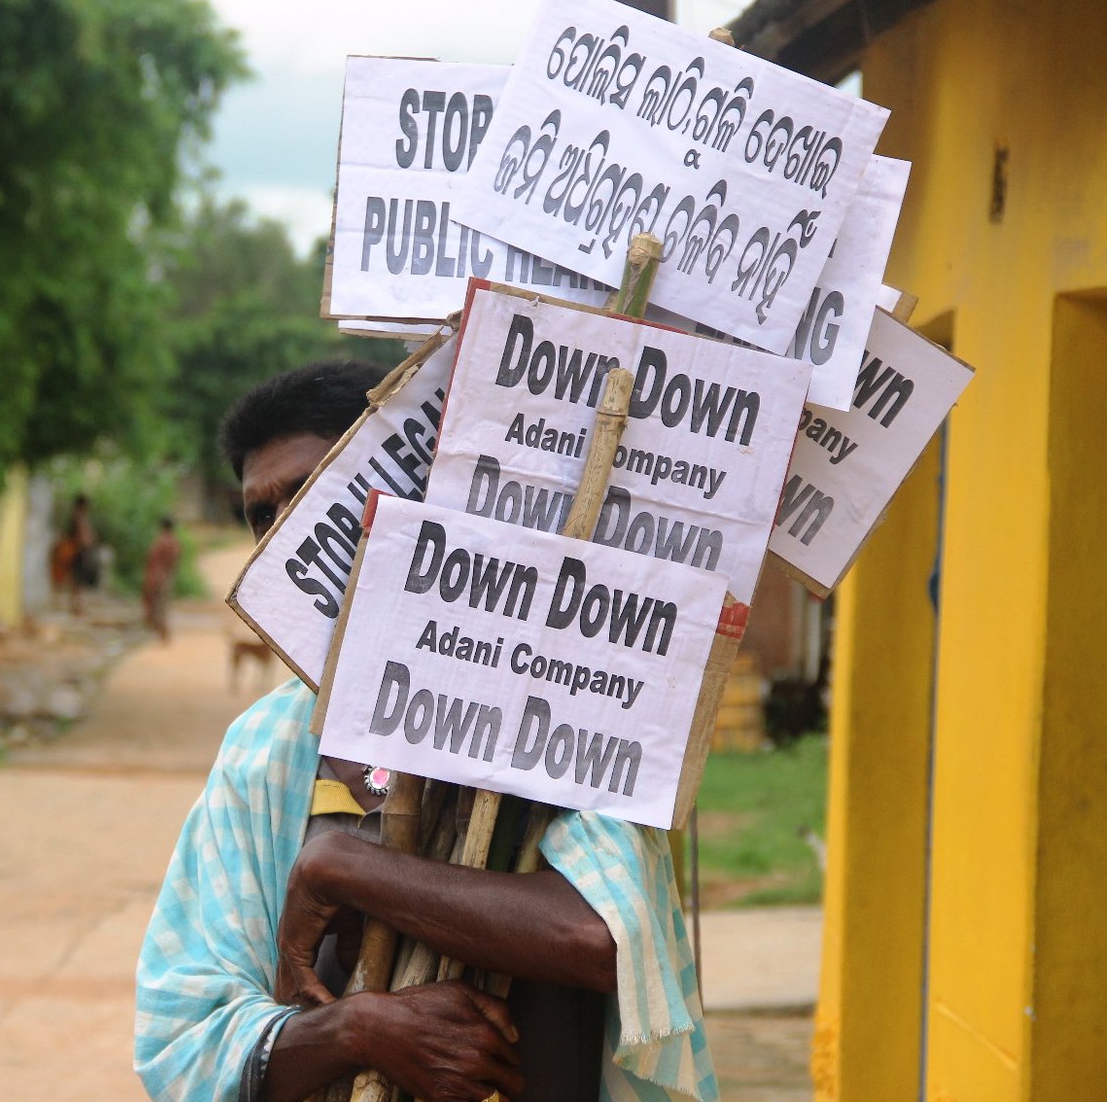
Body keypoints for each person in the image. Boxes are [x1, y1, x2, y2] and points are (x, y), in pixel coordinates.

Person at [135, 360, 717, 1102]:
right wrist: (362, 1030)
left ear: (417, 488)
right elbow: (183, 1034)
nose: (292, 535)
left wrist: (345, 869)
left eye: (318, 492)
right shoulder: (265, 750)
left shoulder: (564, 695)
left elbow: (601, 939)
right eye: (264, 515)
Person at [143, 517, 182, 642]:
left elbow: (152, 559)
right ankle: (163, 633)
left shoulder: (160, 541)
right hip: (167, 576)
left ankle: (162, 633)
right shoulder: (174, 542)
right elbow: (174, 561)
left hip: (156, 575)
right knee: (163, 606)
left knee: (156, 605)